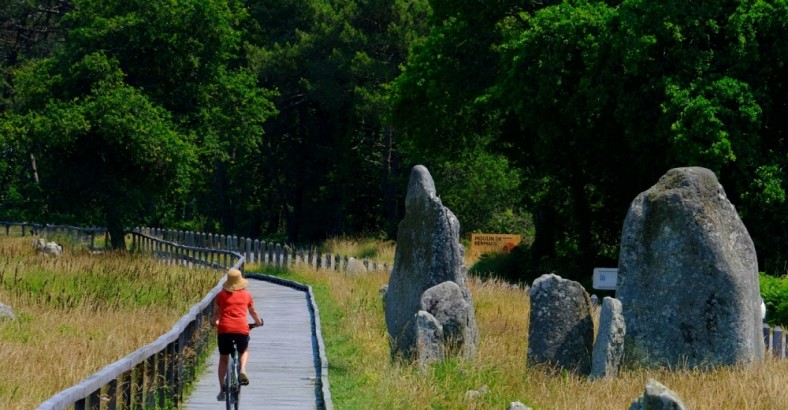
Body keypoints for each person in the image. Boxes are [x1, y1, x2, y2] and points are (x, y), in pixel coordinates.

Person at [212, 268, 263, 401]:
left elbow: (215, 315)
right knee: (244, 350)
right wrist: (258, 323)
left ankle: (222, 389)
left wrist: (214, 322)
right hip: (241, 329)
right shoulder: (247, 295)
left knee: (223, 359)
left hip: (224, 330)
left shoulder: (221, 295)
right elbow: (253, 313)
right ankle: (242, 369)